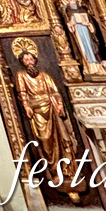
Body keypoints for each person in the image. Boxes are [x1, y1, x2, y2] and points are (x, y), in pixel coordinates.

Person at [13, 47, 79, 182]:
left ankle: (68, 168)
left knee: (62, 138)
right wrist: (26, 106)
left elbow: (55, 91)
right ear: (23, 63)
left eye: (31, 59)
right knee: (45, 140)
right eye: (26, 60)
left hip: (51, 108)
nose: (30, 62)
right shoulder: (21, 76)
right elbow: (22, 93)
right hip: (36, 110)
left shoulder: (44, 75)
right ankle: (54, 169)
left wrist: (59, 103)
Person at [61, 0, 106, 76]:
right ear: (67, 1)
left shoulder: (83, 9)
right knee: (82, 47)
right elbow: (67, 23)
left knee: (91, 46)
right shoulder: (67, 11)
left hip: (86, 30)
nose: (72, 1)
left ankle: (97, 67)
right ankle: (87, 67)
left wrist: (88, 24)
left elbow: (90, 21)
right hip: (77, 31)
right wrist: (70, 24)